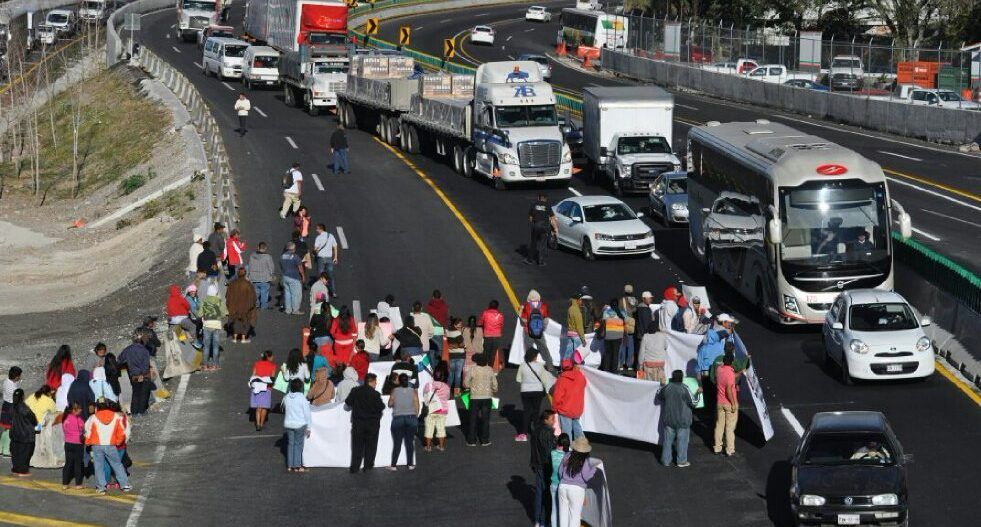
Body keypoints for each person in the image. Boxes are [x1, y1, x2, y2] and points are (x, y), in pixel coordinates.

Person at [85, 401, 131, 493]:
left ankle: (101, 487)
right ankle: (124, 485)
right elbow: (121, 432)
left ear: (97, 407)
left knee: (99, 466)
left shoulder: (93, 417)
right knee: (117, 464)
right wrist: (118, 442)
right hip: (111, 444)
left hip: (97, 445)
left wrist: (88, 442)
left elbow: (87, 431)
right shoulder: (116, 416)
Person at [657, 370, 698, 467]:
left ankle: (665, 461)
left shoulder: (667, 388)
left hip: (669, 419)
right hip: (683, 420)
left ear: (672, 377)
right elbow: (694, 403)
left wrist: (661, 385)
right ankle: (681, 461)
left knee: (667, 441)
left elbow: (659, 396)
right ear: (682, 378)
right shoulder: (684, 388)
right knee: (682, 442)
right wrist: (698, 393)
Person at [346, 373, 385, 473]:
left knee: (357, 446)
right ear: (370, 381)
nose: (376, 384)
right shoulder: (375, 394)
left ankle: (355, 467)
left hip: (358, 423)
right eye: (375, 382)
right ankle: (368, 466)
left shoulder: (355, 391)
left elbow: (348, 402)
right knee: (371, 446)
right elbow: (382, 407)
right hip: (372, 424)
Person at [557, 437, 599, 527]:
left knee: (563, 515)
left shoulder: (567, 455)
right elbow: (586, 476)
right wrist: (594, 469)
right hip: (576, 490)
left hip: (562, 486)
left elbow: (560, 471)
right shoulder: (585, 461)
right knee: (574, 516)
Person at [517, 348, 553, 442]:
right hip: (538, 391)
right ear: (534, 357)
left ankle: (523, 434)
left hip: (525, 391)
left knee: (526, 412)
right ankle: (536, 433)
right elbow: (545, 380)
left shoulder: (522, 366)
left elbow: (519, 379)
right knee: (536, 412)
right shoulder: (540, 366)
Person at [463, 354, 497, 447]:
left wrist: (472, 386)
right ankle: (484, 440)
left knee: (473, 419)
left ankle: (471, 440)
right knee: (485, 419)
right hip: (487, 397)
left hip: (475, 397)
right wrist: (494, 390)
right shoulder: (489, 369)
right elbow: (495, 384)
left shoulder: (473, 369)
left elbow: (465, 383)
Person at [388, 373, 419, 471]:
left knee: (397, 443)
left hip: (398, 418)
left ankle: (393, 465)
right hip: (411, 418)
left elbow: (390, 403)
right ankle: (410, 464)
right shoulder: (413, 391)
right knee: (409, 442)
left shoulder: (394, 390)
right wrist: (415, 416)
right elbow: (417, 405)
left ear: (399, 381)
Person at [119, 331, 153, 415]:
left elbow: (119, 359)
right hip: (144, 376)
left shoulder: (127, 349)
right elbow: (145, 364)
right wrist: (142, 374)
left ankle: (134, 412)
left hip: (134, 376)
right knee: (144, 395)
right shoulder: (144, 350)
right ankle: (141, 412)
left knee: (135, 394)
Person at [196, 284, 229, 370]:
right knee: (215, 346)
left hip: (207, 325)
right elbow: (224, 314)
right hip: (216, 325)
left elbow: (199, 314)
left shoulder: (204, 301)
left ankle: (205, 365)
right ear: (216, 292)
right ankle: (215, 365)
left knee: (206, 346)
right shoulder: (219, 301)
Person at [552, 358, 586, 440]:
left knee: (566, 431)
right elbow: (584, 384)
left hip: (565, 410)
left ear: (562, 368)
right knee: (577, 427)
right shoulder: (580, 376)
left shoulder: (561, 379)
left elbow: (557, 397)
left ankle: (568, 448)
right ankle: (582, 445)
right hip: (577, 409)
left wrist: (554, 408)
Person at [520, 290, 555, 370]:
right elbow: (546, 320)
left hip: (528, 331)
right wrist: (542, 328)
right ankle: (550, 365)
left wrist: (521, 311)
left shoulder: (526, 306)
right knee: (543, 348)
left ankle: (530, 366)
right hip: (539, 331)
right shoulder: (544, 306)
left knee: (529, 348)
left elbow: (523, 320)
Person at [282, 378, 311, 472]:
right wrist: (309, 427)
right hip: (300, 424)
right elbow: (307, 414)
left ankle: (290, 465)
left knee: (290, 444)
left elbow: (282, 407)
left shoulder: (286, 397)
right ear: (301, 387)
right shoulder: (302, 398)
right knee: (298, 444)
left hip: (289, 423)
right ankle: (297, 465)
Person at [714, 354, 739, 456]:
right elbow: (728, 390)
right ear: (732, 362)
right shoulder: (730, 373)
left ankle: (717, 447)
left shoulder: (719, 369)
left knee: (719, 425)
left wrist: (740, 373)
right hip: (729, 403)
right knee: (729, 427)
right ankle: (729, 449)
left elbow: (730, 377)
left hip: (720, 402)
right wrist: (733, 403)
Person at [524, 193, 558, 266]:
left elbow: (530, 218)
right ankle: (541, 261)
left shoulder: (533, 204)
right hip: (545, 226)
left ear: (538, 198)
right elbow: (553, 218)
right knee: (543, 243)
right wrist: (555, 228)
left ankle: (529, 260)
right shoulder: (547, 206)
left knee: (533, 243)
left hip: (536, 225)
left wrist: (534, 224)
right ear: (545, 198)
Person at [9, 389, 37, 476]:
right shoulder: (24, 408)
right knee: (25, 453)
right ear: (22, 397)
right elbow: (33, 419)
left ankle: (15, 469)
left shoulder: (12, 407)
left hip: (14, 433)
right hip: (25, 434)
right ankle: (22, 470)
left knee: (15, 452)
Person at [422, 367, 450, 452]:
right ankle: (441, 446)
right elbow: (447, 397)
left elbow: (425, 395)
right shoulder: (446, 386)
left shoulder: (428, 385)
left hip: (431, 410)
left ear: (433, 376)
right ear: (442, 377)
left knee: (429, 429)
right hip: (442, 410)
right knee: (441, 428)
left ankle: (428, 447)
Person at [227, 268, 258, 343]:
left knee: (236, 322)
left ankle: (234, 338)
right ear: (245, 274)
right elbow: (253, 297)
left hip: (234, 307)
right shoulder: (248, 284)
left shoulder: (232, 283)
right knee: (245, 322)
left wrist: (229, 305)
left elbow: (228, 296)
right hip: (245, 308)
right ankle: (243, 339)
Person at [250, 351, 276, 431]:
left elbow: (253, 375)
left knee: (258, 407)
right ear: (268, 357)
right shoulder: (273, 365)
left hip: (257, 387)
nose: (273, 358)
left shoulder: (257, 364)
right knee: (264, 407)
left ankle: (257, 424)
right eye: (272, 356)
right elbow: (272, 378)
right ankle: (261, 423)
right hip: (267, 387)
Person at [61, 402, 85, 489]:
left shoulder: (65, 418)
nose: (81, 410)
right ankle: (78, 484)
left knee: (68, 463)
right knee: (77, 464)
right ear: (74, 410)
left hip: (68, 443)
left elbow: (64, 429)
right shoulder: (79, 420)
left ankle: (65, 483)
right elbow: (83, 429)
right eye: (79, 409)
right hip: (78, 444)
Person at [549, 433, 571, 527]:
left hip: (554, 484)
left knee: (554, 509)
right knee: (564, 510)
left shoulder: (552, 453)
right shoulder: (568, 456)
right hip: (564, 485)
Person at [1, 367, 23, 457]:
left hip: (6, 405)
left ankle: (0, 447)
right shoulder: (13, 388)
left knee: (6, 429)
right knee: (10, 430)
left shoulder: (6, 381)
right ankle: (6, 451)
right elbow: (17, 398)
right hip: (11, 407)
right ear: (16, 377)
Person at [280, 242, 306, 315]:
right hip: (294, 278)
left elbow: (281, 267)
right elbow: (300, 268)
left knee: (287, 293)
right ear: (293, 249)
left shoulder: (282, 256)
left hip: (285, 277)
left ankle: (288, 310)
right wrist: (303, 276)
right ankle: (295, 310)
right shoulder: (295, 257)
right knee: (296, 294)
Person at [312, 224, 339, 296]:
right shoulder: (331, 236)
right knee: (330, 275)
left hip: (321, 258)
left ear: (321, 229)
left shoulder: (318, 238)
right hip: (329, 258)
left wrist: (314, 253)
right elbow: (335, 246)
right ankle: (333, 292)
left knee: (320, 275)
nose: (316, 230)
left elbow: (315, 249)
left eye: (317, 229)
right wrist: (335, 257)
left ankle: (320, 292)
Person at [248, 242, 275, 310]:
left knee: (256, 292)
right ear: (265, 248)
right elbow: (271, 268)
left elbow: (250, 266)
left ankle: (256, 304)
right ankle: (264, 306)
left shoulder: (252, 256)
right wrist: (272, 275)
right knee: (264, 292)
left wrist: (249, 275)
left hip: (254, 277)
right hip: (264, 278)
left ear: (258, 247)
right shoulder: (267, 257)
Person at [600, 299, 625, 373]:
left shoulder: (606, 312)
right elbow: (625, 322)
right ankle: (613, 371)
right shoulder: (622, 313)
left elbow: (603, 322)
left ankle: (606, 370)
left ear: (610, 305)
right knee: (615, 354)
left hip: (608, 335)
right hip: (618, 336)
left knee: (608, 354)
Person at [478, 300, 505, 367]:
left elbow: (480, 323)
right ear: (497, 307)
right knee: (493, 354)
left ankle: (484, 367)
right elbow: (501, 325)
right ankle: (490, 368)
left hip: (487, 336)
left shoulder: (485, 313)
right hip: (497, 336)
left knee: (486, 352)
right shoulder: (500, 315)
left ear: (489, 306)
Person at [561, 293, 587, 361]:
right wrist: (583, 339)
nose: (581, 302)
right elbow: (579, 326)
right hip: (576, 335)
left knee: (569, 353)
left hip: (571, 333)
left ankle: (565, 366)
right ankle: (570, 368)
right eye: (580, 300)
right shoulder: (576, 310)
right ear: (577, 300)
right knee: (577, 355)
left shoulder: (570, 308)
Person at [619, 285, 638, 373]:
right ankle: (630, 365)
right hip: (631, 325)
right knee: (631, 345)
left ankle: (621, 364)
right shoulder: (635, 300)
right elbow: (635, 311)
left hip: (623, 324)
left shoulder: (621, 300)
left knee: (622, 344)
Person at [445, 317, 466, 396]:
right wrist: (463, 346)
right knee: (458, 375)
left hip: (451, 356)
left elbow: (449, 344)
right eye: (459, 325)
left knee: (450, 375)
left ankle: (446, 391)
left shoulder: (447, 332)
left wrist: (452, 346)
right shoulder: (458, 333)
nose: (460, 326)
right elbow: (462, 344)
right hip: (460, 356)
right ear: (455, 324)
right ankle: (456, 393)